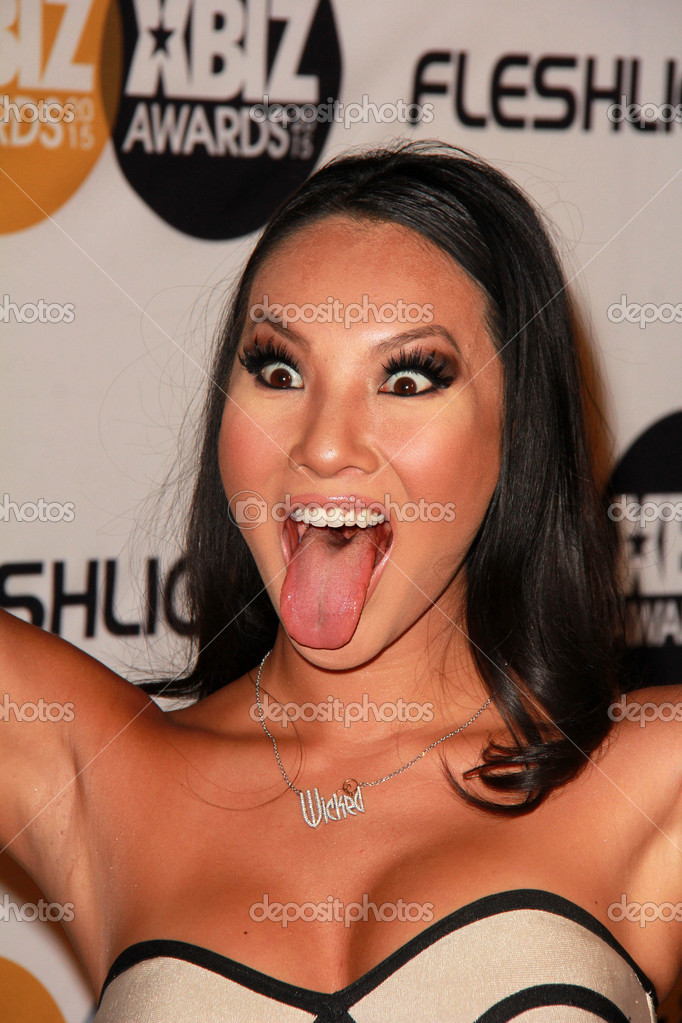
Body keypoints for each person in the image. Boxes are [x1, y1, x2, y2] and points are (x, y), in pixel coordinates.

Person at [1, 141, 679, 1022]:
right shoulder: (98, 772)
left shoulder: (653, 777)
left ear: (518, 433)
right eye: (278, 370)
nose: (323, 446)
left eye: (409, 378)